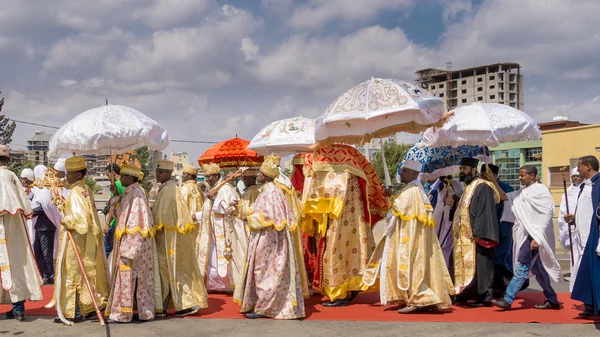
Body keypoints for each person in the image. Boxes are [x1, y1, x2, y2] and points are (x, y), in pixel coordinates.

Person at [302, 144, 388, 306]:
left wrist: (311, 213)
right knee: (354, 250)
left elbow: (315, 192)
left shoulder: (319, 155)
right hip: (356, 214)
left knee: (334, 250)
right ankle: (352, 288)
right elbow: (372, 184)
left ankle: (339, 293)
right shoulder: (354, 155)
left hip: (336, 212)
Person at [363, 160, 454, 313]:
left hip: (411, 237)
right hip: (409, 235)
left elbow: (399, 209)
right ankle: (409, 296)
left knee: (414, 265)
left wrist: (391, 196)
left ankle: (418, 298)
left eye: (404, 171)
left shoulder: (412, 190)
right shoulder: (413, 189)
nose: (401, 173)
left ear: (414, 174)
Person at [234, 156, 309, 319]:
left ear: (266, 175)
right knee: (264, 272)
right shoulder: (268, 190)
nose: (257, 176)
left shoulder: (272, 192)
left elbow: (268, 217)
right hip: (266, 238)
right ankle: (261, 304)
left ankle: (265, 307)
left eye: (260, 173)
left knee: (265, 273)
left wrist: (250, 219)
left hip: (270, 240)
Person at [490, 165, 561, 310]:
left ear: (533, 176)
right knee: (539, 271)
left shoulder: (541, 191)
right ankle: (552, 299)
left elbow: (546, 215)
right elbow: (504, 196)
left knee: (522, 267)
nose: (520, 178)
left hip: (534, 236)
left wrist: (538, 238)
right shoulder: (522, 192)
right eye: (519, 175)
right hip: (524, 235)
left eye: (523, 175)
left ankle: (508, 299)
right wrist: (493, 180)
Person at [52, 156, 109, 324]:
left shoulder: (76, 192)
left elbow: (80, 219)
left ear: (78, 174)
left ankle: (72, 312)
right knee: (86, 274)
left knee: (72, 274)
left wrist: (65, 219)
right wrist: (63, 206)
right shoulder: (86, 189)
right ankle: (89, 308)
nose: (66, 177)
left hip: (76, 239)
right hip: (88, 240)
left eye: (69, 174)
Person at [152, 159, 208, 316]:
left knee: (168, 271)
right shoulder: (173, 189)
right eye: (157, 172)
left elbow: (163, 217)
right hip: (179, 233)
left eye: (160, 172)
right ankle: (164, 304)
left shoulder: (171, 191)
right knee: (171, 271)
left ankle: (179, 304)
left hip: (169, 239)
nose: (157, 174)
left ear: (168, 173)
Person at [106, 164, 159, 323]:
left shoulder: (136, 195)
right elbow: (122, 212)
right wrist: (116, 196)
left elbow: (137, 222)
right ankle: (145, 312)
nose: (120, 179)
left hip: (132, 245)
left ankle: (123, 314)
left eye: (122, 176)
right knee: (141, 279)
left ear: (129, 178)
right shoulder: (132, 192)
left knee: (128, 278)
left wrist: (129, 249)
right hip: (135, 245)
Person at [0, 145, 44, 321]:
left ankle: (16, 306)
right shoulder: (11, 177)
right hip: (14, 223)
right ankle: (18, 307)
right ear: (8, 161)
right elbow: (26, 207)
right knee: (17, 261)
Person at [452, 157, 500, 307]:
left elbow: (484, 211)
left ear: (474, 170)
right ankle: (467, 292)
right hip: (466, 236)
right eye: (461, 169)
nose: (461, 171)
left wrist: (478, 232)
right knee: (470, 267)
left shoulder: (483, 186)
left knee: (482, 266)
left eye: (464, 169)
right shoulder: (469, 186)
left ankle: (485, 296)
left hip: (478, 235)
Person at [197, 163, 247, 292]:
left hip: (226, 230)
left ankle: (229, 284)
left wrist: (214, 200)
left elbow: (231, 209)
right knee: (213, 257)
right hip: (214, 229)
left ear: (217, 175)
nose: (207, 179)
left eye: (209, 176)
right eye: (206, 176)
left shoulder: (226, 188)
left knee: (226, 257)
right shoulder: (215, 188)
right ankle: (215, 284)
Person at [480, 164, 524, 296]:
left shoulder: (505, 188)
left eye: (486, 175)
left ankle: (501, 288)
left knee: (499, 260)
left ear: (494, 175)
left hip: (501, 230)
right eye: (482, 176)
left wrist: (502, 232)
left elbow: (509, 212)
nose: (483, 178)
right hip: (485, 232)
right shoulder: (482, 188)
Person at [571, 155, 600, 317]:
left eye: (579, 166)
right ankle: (589, 305)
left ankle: (594, 306)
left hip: (594, 236)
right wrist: (574, 218)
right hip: (582, 236)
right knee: (587, 273)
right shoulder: (585, 186)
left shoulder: (599, 183)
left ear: (588, 166)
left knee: (594, 272)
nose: (578, 169)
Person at [30, 165, 62, 285]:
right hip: (39, 225)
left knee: (46, 251)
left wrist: (31, 212)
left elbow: (46, 206)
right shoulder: (38, 188)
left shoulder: (47, 187)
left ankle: (50, 275)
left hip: (46, 225)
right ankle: (42, 273)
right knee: (37, 250)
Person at [559, 168, 589, 287]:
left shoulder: (586, 189)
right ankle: (574, 274)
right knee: (574, 253)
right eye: (573, 176)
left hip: (582, 225)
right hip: (570, 226)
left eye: (577, 175)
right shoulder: (568, 191)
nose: (575, 178)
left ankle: (582, 275)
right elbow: (562, 209)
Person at [432, 175, 463, 274]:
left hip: (450, 218)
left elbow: (459, 199)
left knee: (445, 246)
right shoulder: (440, 185)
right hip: (439, 217)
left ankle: (444, 275)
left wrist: (451, 193)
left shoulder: (456, 183)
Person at [103, 163, 124, 257]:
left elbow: (113, 207)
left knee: (106, 249)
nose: (107, 178)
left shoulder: (116, 185)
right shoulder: (124, 185)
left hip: (114, 223)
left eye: (108, 175)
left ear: (113, 173)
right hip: (122, 222)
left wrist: (107, 224)